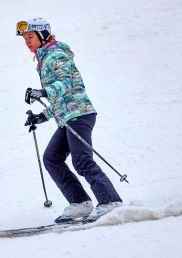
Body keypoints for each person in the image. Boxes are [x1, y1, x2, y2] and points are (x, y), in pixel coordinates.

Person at [16, 17, 123, 223]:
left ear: (42, 35)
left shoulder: (56, 54)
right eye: (25, 39)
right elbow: (61, 97)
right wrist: (42, 116)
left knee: (82, 160)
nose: (27, 42)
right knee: (52, 158)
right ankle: (80, 203)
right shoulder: (44, 58)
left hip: (80, 114)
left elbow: (66, 82)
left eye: (30, 37)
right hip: (67, 117)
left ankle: (110, 201)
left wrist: (43, 91)